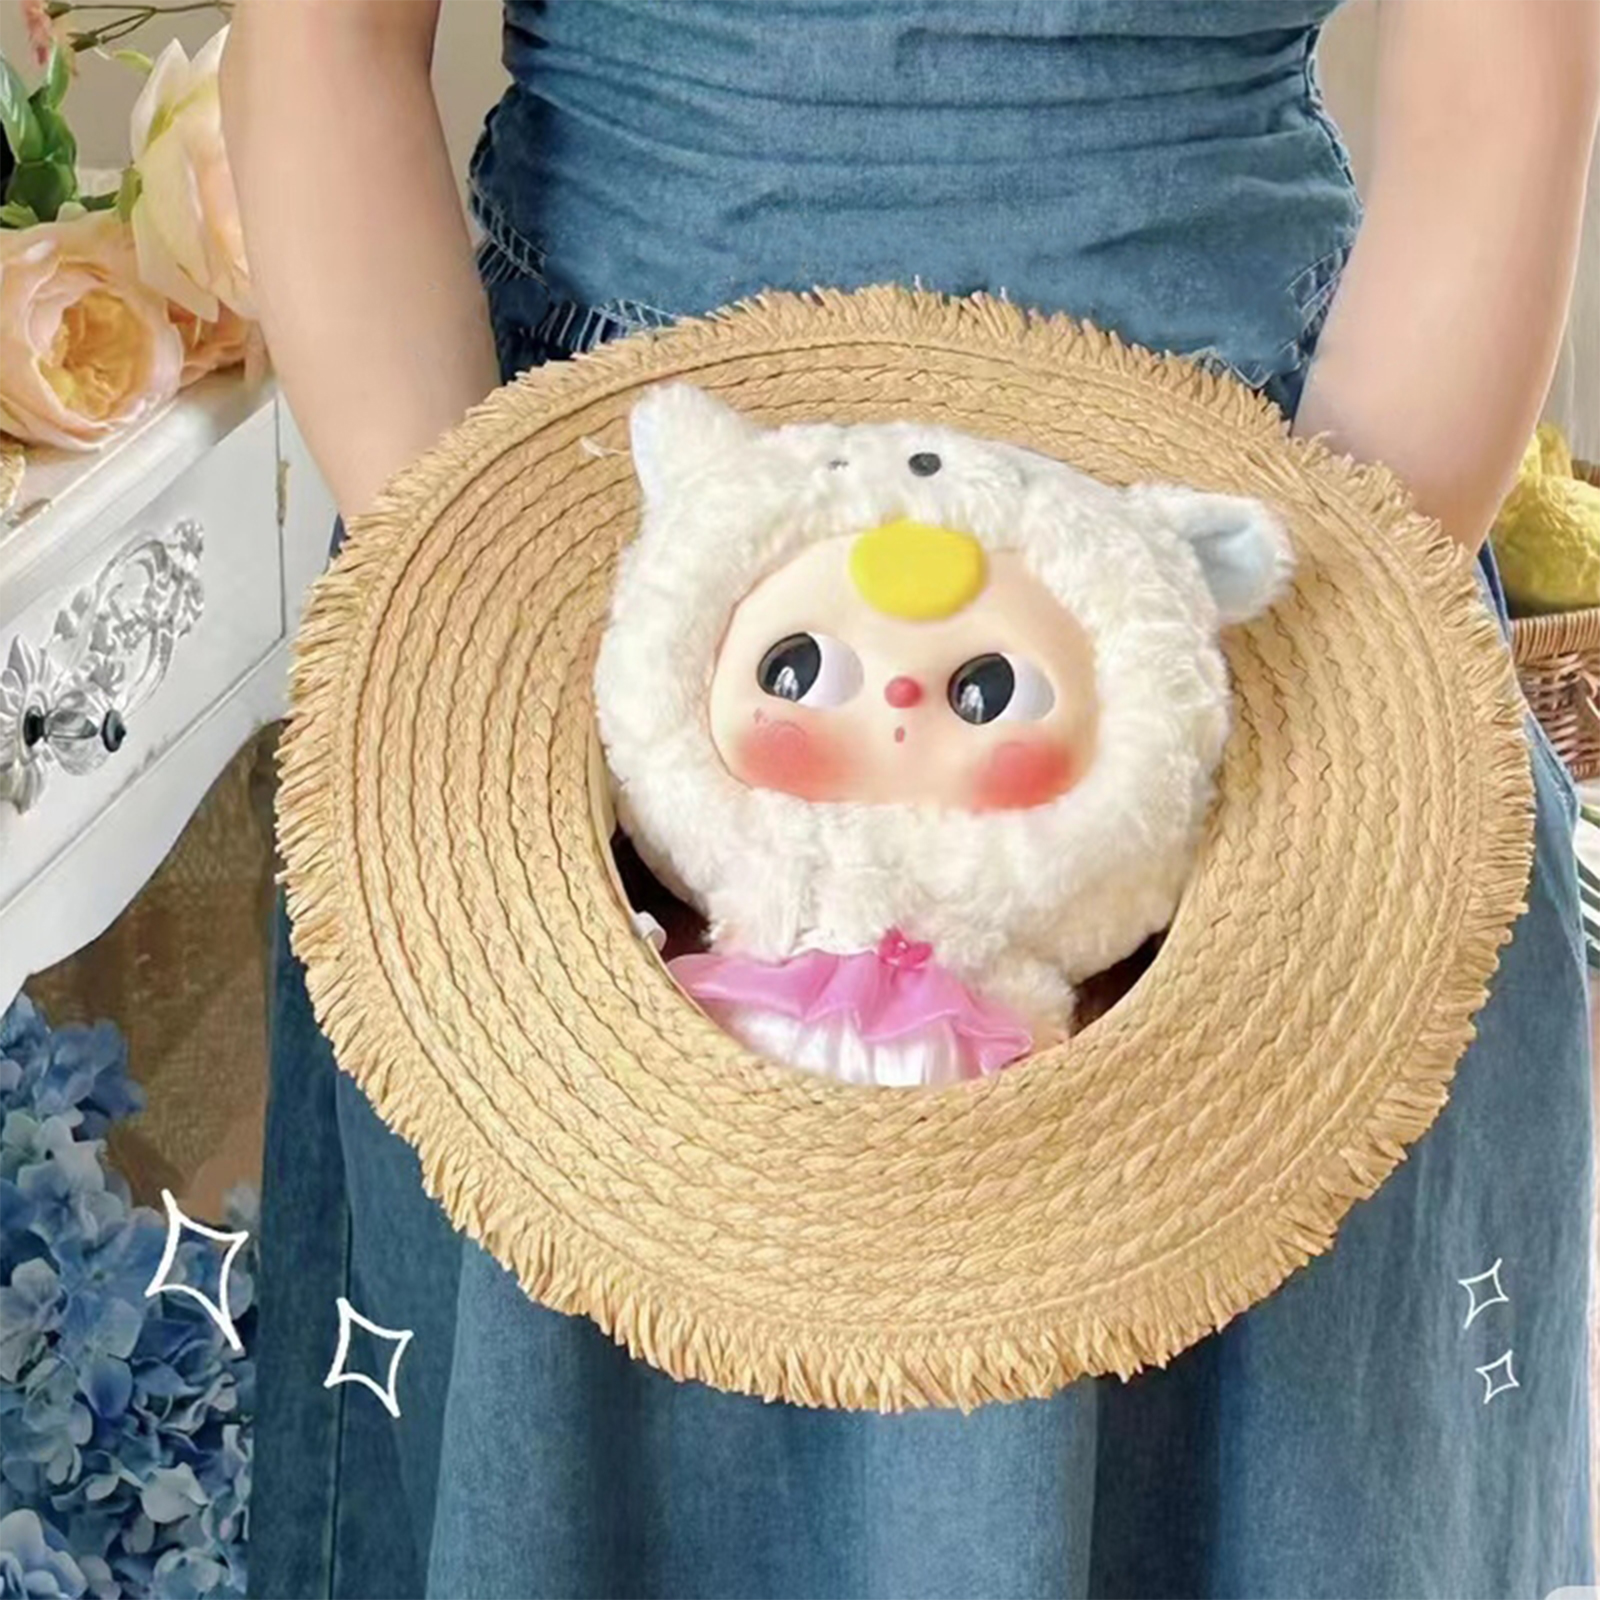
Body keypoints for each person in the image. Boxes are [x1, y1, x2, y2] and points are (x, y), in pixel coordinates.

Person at [221, 3, 1600, 1595]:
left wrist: (1269, 681)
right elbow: (324, 44)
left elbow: (1501, 78)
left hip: (1252, 550)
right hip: (603, 541)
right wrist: (524, 657)